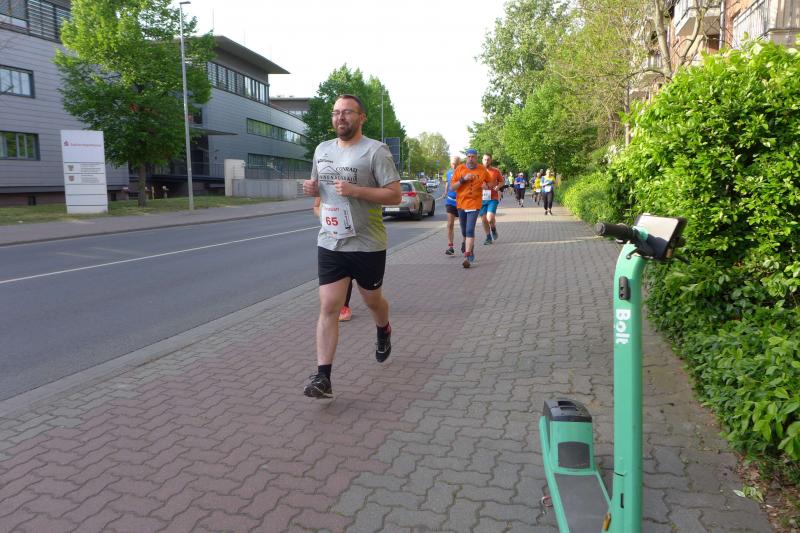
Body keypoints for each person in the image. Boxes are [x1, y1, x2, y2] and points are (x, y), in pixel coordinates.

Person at [301, 94, 402, 399]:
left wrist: (356, 190)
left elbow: (395, 195)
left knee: (372, 301)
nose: (340, 117)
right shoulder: (322, 150)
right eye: (336, 112)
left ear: (361, 117)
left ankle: (383, 329)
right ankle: (323, 377)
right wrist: (312, 190)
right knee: (329, 306)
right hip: (331, 241)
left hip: (367, 243)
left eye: (347, 112)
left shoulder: (375, 151)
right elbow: (319, 197)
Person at [314, 197, 355, 320]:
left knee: (371, 295)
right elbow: (316, 206)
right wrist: (325, 216)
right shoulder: (323, 188)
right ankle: (343, 307)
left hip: (358, 238)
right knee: (344, 274)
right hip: (332, 239)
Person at [450, 148, 490, 268]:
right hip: (461, 204)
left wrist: (486, 186)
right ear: (466, 157)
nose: (471, 159)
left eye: (473, 157)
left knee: (469, 229)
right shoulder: (460, 169)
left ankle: (467, 256)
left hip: (475, 203)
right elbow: (452, 187)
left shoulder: (482, 170)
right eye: (469, 157)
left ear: (476, 158)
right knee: (464, 230)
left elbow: (490, 183)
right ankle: (469, 247)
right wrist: (463, 179)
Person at [480, 153, 503, 245]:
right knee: (484, 219)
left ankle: (493, 228)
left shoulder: (496, 171)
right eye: (485, 159)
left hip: (493, 198)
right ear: (482, 160)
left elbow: (502, 182)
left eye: (488, 159)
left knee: (489, 218)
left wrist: (498, 187)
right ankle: (488, 237)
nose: (486, 161)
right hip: (481, 199)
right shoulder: (478, 171)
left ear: (491, 160)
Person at [443, 155, 462, 255]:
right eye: (452, 164)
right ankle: (450, 247)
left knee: (464, 225)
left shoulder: (463, 172)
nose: (454, 166)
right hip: (450, 201)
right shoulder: (449, 173)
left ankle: (465, 243)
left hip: (461, 202)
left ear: (459, 163)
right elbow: (447, 183)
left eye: (456, 164)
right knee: (450, 224)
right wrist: (445, 192)